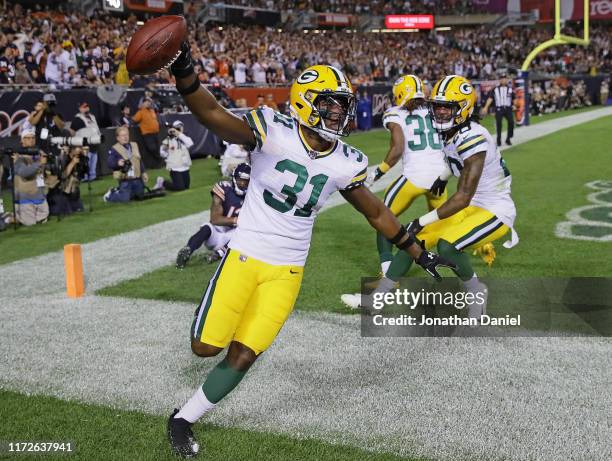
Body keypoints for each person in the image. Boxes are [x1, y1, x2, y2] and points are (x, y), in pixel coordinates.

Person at [166, 43, 454, 458]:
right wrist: (186, 73)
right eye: (330, 106)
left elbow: (375, 212)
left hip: (288, 270)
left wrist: (417, 250)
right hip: (246, 254)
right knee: (205, 348)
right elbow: (212, 115)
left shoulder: (345, 161)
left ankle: (183, 418)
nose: (339, 114)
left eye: (343, 107)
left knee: (246, 354)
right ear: (305, 103)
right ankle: (210, 322)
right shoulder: (273, 130)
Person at [343, 75, 518, 316]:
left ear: (464, 108)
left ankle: (477, 292)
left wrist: (421, 220)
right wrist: (443, 176)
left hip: (495, 209)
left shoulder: (474, 137)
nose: (441, 113)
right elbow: (454, 159)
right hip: (474, 205)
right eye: (438, 106)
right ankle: (377, 300)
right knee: (412, 239)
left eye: (448, 107)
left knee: (447, 246)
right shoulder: (453, 131)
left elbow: (463, 196)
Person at [364, 75, 449, 277]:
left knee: (382, 216)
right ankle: (479, 245)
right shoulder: (435, 111)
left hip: (414, 177)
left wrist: (379, 172)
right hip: (440, 178)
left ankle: (387, 268)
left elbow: (398, 148)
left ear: (401, 93)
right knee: (443, 224)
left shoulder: (395, 113)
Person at [176, 163, 250, 269]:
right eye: (240, 179)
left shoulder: (252, 195)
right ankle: (187, 250)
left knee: (244, 232)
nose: (242, 183)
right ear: (234, 177)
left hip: (235, 237)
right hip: (218, 232)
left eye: (246, 181)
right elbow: (215, 219)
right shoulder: (224, 188)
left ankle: (218, 254)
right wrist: (237, 220)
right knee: (207, 227)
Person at [12, 129, 49, 226]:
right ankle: (12, 215)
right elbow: (24, 173)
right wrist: (40, 163)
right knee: (30, 223)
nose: (31, 140)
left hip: (40, 196)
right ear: (22, 140)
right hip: (25, 197)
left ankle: (19, 215)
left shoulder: (39, 153)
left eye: (33, 138)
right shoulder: (17, 155)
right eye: (27, 138)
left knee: (43, 218)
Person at [104, 126, 148, 203]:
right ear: (118, 138)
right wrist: (117, 163)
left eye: (127, 135)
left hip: (137, 178)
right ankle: (110, 195)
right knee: (125, 199)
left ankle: (121, 191)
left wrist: (144, 172)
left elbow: (139, 160)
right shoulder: (115, 149)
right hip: (125, 180)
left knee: (140, 197)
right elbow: (109, 163)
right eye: (122, 135)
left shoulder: (134, 145)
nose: (125, 137)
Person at [154, 120, 193, 191]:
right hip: (175, 168)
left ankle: (165, 183)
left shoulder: (184, 138)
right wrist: (166, 151)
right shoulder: (169, 139)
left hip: (185, 167)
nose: (180, 129)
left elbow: (190, 143)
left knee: (186, 187)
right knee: (180, 188)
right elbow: (162, 153)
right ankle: (162, 182)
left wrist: (179, 134)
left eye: (181, 127)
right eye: (177, 128)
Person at [481, 72, 515, 146]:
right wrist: (486, 107)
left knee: (511, 122)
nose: (503, 80)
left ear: (507, 80)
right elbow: (490, 98)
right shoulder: (495, 89)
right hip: (499, 109)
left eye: (505, 78)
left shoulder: (510, 89)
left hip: (508, 108)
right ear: (499, 80)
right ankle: (498, 140)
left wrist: (514, 105)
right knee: (499, 124)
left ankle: (508, 138)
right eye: (502, 78)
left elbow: (514, 98)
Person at [70, 102, 101, 181]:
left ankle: (92, 177)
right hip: (85, 144)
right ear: (80, 109)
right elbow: (72, 131)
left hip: (94, 142)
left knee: (93, 161)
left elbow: (96, 128)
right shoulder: (78, 118)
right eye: (83, 107)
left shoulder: (92, 117)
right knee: (86, 161)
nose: (86, 108)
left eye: (87, 106)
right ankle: (84, 178)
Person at [132, 97, 162, 168]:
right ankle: (159, 160)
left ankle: (158, 164)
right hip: (147, 134)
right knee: (152, 148)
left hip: (155, 133)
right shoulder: (141, 112)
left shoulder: (152, 110)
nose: (148, 103)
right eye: (146, 102)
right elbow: (134, 120)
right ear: (143, 103)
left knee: (157, 148)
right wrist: (128, 124)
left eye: (149, 102)